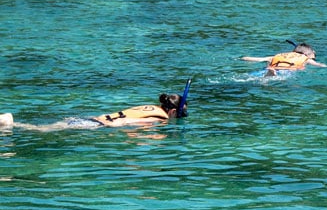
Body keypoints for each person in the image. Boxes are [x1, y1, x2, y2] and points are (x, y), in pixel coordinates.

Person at [0, 92, 189, 131]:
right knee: (42, 129)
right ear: (172, 112)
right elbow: (127, 122)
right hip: (96, 124)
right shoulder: (159, 117)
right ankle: (8, 122)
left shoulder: (151, 107)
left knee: (50, 126)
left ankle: (8, 122)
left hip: (93, 118)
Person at [241, 41, 327, 77]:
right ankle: (270, 75)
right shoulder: (306, 59)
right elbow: (320, 65)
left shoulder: (278, 56)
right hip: (287, 70)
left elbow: (258, 59)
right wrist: (326, 66)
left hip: (273, 67)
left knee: (254, 76)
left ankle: (270, 73)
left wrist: (244, 58)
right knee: (280, 77)